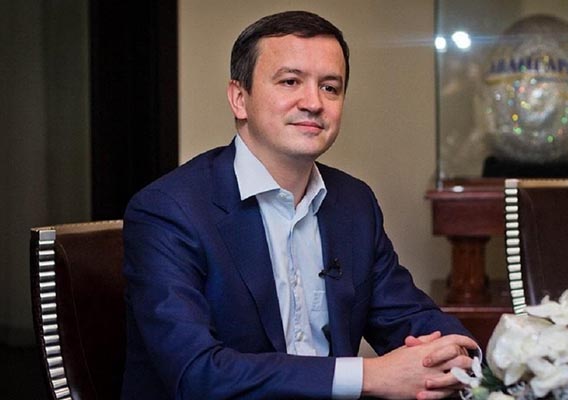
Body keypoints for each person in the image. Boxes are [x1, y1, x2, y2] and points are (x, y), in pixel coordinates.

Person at [122, 10, 478, 400]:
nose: (314, 103)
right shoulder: (168, 211)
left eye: (330, 87)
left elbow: (408, 317)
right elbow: (197, 373)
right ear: (239, 99)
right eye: (290, 81)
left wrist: (457, 354)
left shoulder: (354, 203)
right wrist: (369, 375)